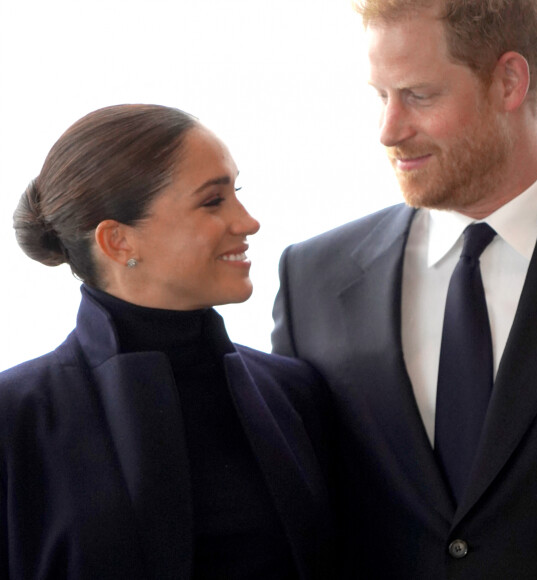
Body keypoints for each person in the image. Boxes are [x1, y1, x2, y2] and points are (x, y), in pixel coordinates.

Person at [272, 0, 537, 577]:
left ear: (509, 81)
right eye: (379, 96)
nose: (389, 130)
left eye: (418, 95)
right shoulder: (311, 280)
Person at [1, 104, 335, 579]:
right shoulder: (15, 419)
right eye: (213, 201)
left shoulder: (294, 393)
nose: (248, 222)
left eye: (235, 193)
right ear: (118, 242)